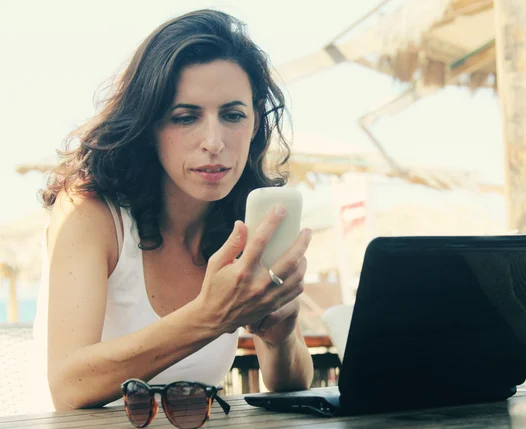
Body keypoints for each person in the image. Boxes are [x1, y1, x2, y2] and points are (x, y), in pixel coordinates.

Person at [32, 9, 314, 412]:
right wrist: (210, 315)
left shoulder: (248, 222)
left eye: (233, 115)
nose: (214, 141)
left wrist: (281, 337)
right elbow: (69, 386)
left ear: (254, 125)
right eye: (185, 117)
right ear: (149, 126)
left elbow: (291, 381)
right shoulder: (90, 212)